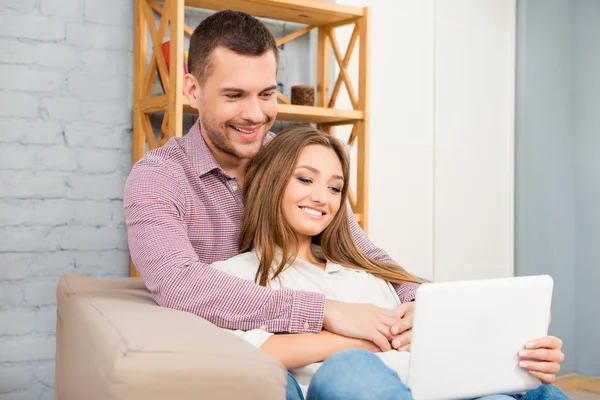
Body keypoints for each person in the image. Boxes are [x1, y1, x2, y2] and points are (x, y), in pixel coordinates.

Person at [124, 9, 417, 359]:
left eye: (266, 94)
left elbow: (361, 250)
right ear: (192, 90)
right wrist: (326, 310)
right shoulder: (157, 178)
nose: (255, 115)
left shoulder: (292, 159)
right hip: (235, 361)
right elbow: (179, 284)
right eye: (234, 96)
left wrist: (416, 304)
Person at [210, 126, 568, 400]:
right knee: (349, 368)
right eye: (305, 179)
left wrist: (522, 347)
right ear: (270, 183)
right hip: (358, 386)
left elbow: (437, 345)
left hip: (435, 384)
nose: (322, 198)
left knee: (531, 389)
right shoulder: (234, 274)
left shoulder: (367, 273)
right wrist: (361, 341)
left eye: (335, 188)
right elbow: (255, 353)